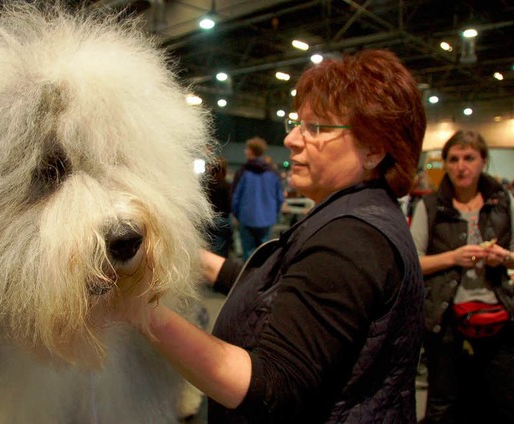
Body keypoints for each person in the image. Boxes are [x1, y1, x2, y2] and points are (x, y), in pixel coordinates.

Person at [128, 49, 426, 422]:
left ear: (375, 150)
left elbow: (271, 389)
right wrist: (196, 258)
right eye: (297, 123)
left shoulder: (350, 240)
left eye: (316, 128)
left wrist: (141, 313)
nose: (291, 139)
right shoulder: (360, 216)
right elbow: (287, 296)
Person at [409, 130, 514, 423]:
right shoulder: (429, 206)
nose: (460, 166)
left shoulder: (503, 202)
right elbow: (411, 263)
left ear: (483, 161)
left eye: (469, 158)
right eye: (453, 159)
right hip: (445, 318)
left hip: (498, 315)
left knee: (501, 399)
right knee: (443, 403)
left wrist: (503, 257)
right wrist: (453, 258)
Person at [231, 136, 284, 260]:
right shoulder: (273, 173)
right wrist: (273, 214)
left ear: (251, 151)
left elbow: (235, 197)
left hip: (246, 218)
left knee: (248, 255)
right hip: (267, 220)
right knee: (264, 254)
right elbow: (280, 198)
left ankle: (248, 279)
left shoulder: (242, 172)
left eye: (247, 149)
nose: (245, 151)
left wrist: (237, 214)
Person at [204, 156, 233, 257]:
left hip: (208, 220)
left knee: (207, 250)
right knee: (221, 252)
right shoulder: (227, 186)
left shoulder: (206, 185)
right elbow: (230, 205)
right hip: (223, 221)